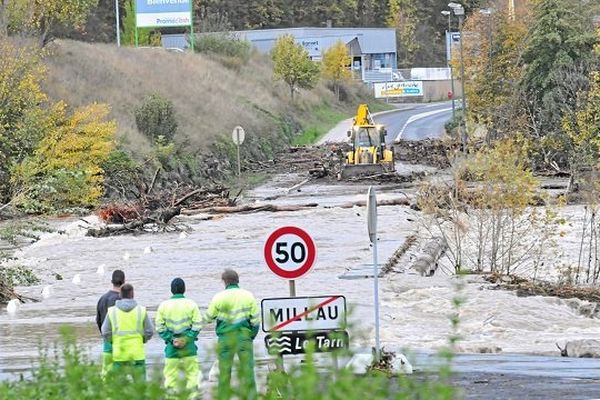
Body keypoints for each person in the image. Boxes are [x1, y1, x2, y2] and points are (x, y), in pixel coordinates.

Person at [205, 269, 260, 400]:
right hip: (244, 338)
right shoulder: (248, 296)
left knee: (224, 373)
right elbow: (256, 320)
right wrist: (251, 336)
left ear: (224, 281)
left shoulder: (218, 297)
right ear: (237, 280)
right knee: (248, 372)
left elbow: (208, 318)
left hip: (225, 339)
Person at [155, 278, 203, 393]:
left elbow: (159, 328)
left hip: (172, 347)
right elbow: (197, 325)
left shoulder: (163, 306)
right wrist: (187, 339)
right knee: (192, 376)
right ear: (184, 289)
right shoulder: (191, 304)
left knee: (170, 378)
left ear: (171, 290)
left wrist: (171, 339)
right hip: (189, 347)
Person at [101, 283, 153, 379]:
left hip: (119, 355)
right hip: (137, 354)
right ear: (133, 294)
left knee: (119, 389)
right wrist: (143, 339)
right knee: (140, 389)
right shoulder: (141, 310)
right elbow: (149, 331)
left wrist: (113, 341)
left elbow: (105, 332)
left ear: (120, 295)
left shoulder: (112, 311)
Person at [96, 269, 125, 377]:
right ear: (124, 281)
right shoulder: (122, 300)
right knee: (121, 374)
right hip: (120, 341)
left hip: (107, 341)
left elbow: (98, 320)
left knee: (107, 372)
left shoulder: (102, 299)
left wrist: (104, 334)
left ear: (111, 281)